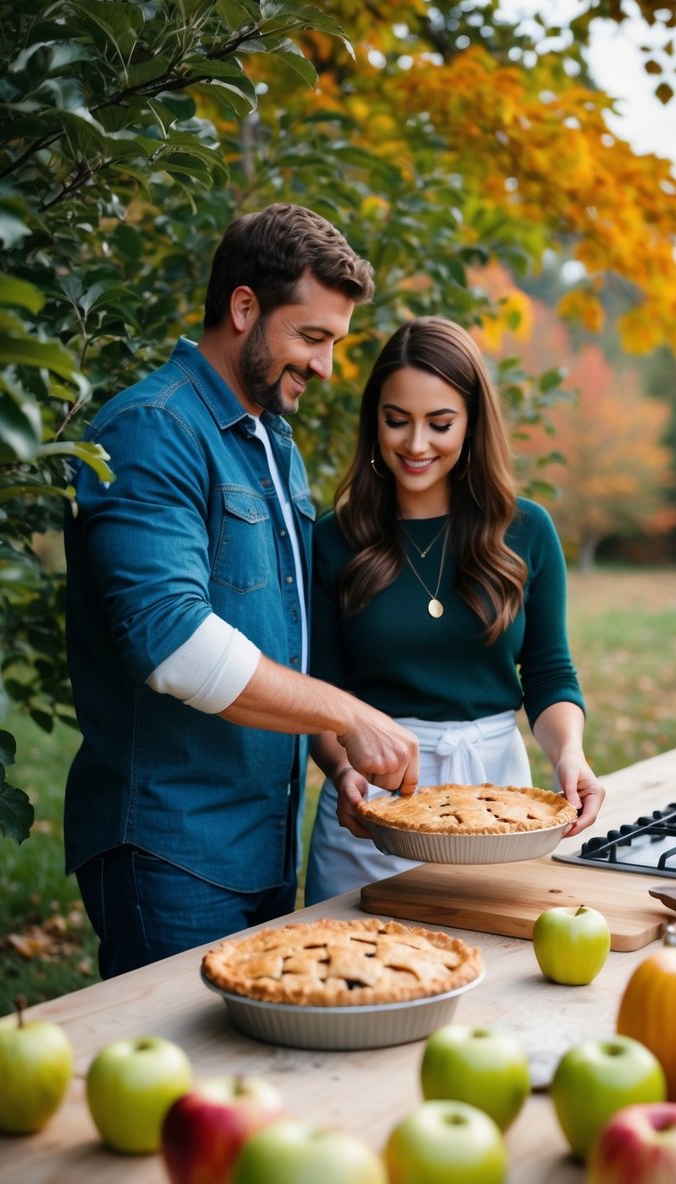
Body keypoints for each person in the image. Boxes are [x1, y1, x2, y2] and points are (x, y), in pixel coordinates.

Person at [63, 203, 419, 979]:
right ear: (244, 307)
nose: (325, 367)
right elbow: (174, 645)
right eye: (312, 337)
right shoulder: (151, 429)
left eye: (335, 343)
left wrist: (333, 752)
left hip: (260, 848)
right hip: (169, 851)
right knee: (176, 1087)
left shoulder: (270, 441)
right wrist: (348, 712)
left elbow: (271, 636)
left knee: (239, 1092)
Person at [305, 316, 604, 904]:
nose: (416, 446)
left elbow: (548, 673)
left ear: (471, 424)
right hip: (377, 801)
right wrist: (345, 773)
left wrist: (571, 754)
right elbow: (322, 696)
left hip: (500, 799)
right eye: (397, 421)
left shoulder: (527, 531)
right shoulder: (333, 540)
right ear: (374, 423)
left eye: (439, 424)